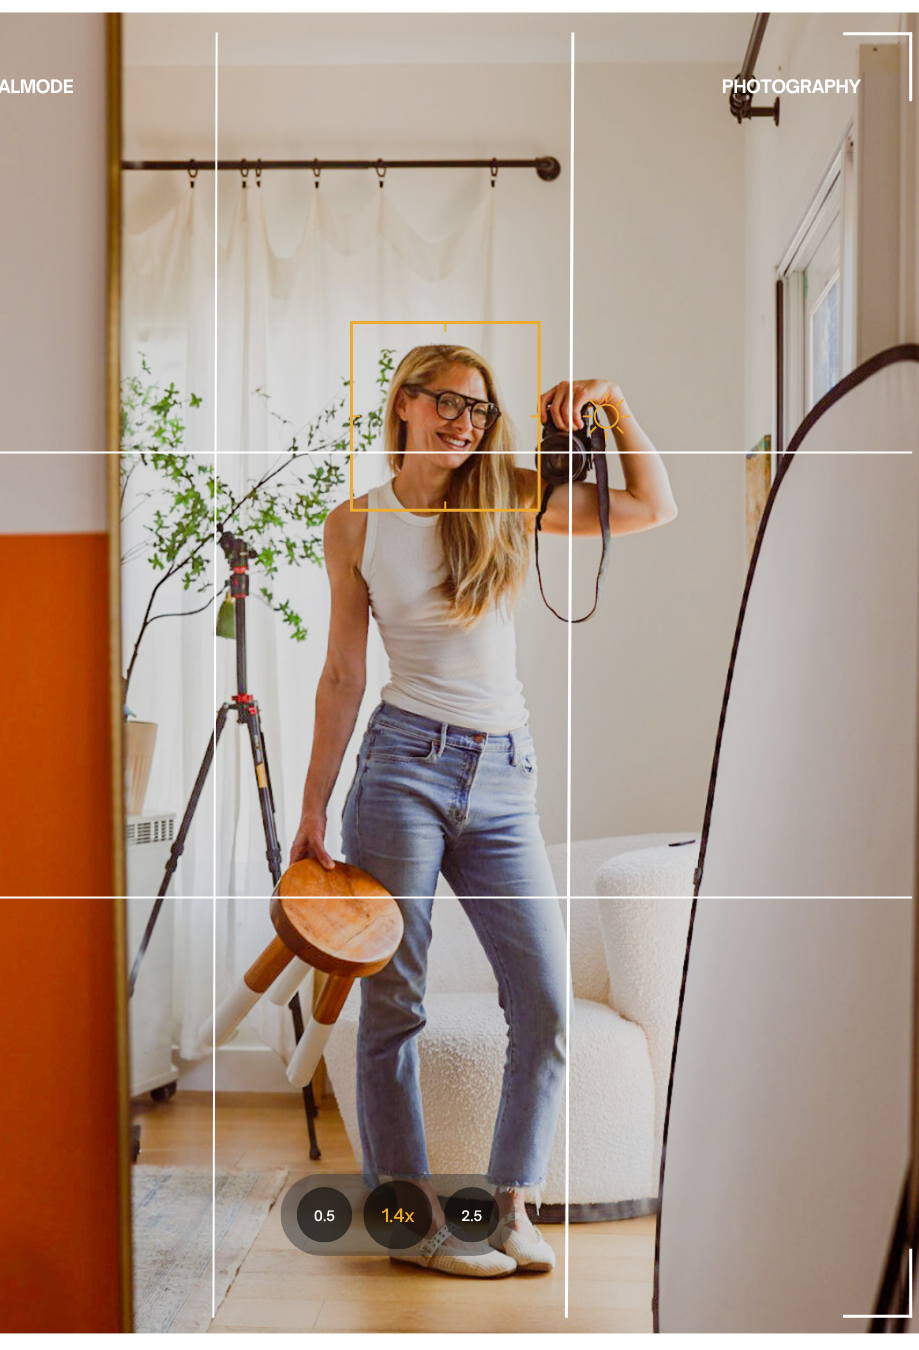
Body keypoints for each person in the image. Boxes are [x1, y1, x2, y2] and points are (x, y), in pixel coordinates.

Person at [289, 344, 677, 1278]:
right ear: (406, 404)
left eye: (480, 409)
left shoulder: (504, 497)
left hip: (504, 775)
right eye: (449, 404)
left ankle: (509, 1209)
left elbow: (652, 506)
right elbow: (342, 674)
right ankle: (410, 1222)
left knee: (541, 1001)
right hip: (400, 771)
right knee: (394, 1004)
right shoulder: (356, 523)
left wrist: (616, 405)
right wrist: (311, 805)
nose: (465, 423)